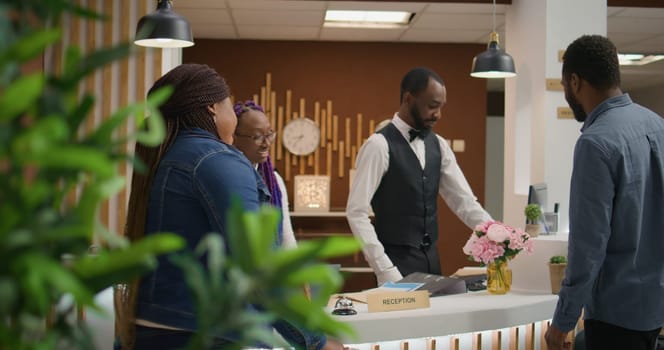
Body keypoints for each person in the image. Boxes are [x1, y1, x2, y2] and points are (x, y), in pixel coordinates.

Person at [114, 63, 340, 350]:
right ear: (212, 108)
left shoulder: (165, 158)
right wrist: (315, 341)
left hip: (150, 331)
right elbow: (257, 267)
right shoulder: (217, 160)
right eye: (228, 105)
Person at [544, 35, 664, 350]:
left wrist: (562, 322)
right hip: (655, 308)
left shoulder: (595, 143)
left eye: (564, 85)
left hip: (616, 315)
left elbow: (588, 246)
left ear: (574, 81)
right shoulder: (658, 126)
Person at [346, 67, 493, 285]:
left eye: (441, 107)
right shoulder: (378, 145)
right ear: (408, 98)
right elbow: (356, 212)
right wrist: (384, 268)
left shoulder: (439, 145)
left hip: (432, 261)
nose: (438, 114)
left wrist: (498, 235)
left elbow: (464, 201)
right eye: (432, 106)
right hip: (394, 263)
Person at [232, 100, 297, 249]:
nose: (266, 143)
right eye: (257, 136)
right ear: (234, 137)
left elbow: (287, 240)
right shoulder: (228, 179)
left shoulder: (274, 181)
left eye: (269, 134)